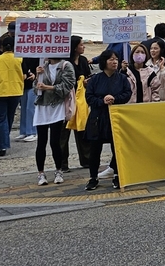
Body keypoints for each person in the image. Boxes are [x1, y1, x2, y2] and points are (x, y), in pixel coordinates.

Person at [84, 50, 133, 190]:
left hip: (115, 116)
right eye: (111, 59)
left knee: (116, 147)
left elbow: (127, 93)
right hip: (98, 117)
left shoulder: (122, 78)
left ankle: (117, 175)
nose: (114, 62)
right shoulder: (95, 79)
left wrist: (115, 99)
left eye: (116, 59)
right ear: (104, 61)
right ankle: (93, 177)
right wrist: (102, 100)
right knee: (95, 149)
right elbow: (89, 97)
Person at [33, 55, 76, 186]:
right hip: (42, 106)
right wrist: (37, 76)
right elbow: (36, 89)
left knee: (55, 141)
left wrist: (48, 87)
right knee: (41, 142)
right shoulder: (43, 66)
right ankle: (41, 173)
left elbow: (67, 85)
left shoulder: (65, 65)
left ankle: (59, 170)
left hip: (57, 105)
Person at [0, 35, 23, 157]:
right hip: (16, 91)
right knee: (9, 117)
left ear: (2, 47)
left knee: (0, 118)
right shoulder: (19, 59)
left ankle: (2, 145)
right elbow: (25, 75)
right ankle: (5, 140)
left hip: (0, 91)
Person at [67, 35, 94, 172]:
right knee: (64, 132)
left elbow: (88, 76)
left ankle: (87, 160)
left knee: (83, 128)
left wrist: (86, 82)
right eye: (81, 44)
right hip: (68, 99)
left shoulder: (83, 60)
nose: (83, 47)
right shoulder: (66, 62)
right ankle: (62, 164)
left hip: (82, 100)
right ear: (75, 47)